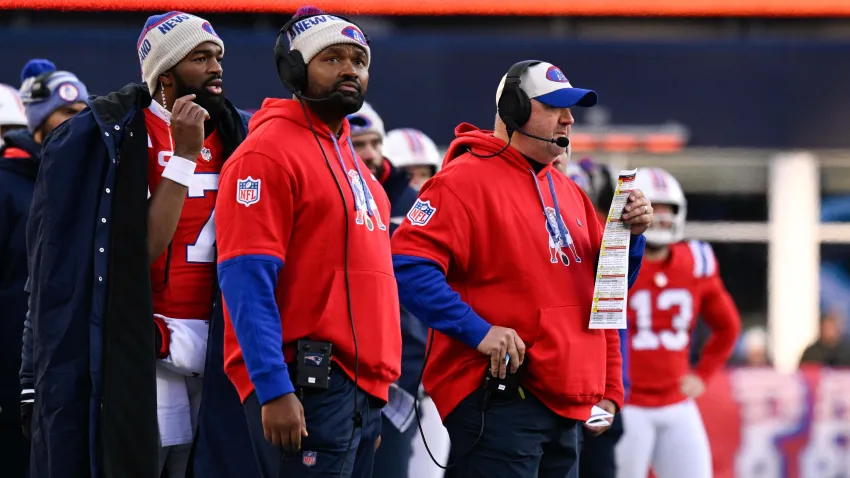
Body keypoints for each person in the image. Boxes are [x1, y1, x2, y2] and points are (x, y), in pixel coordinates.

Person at [391, 60, 652, 478]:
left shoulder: (567, 190)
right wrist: (479, 332)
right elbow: (408, 267)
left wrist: (632, 238)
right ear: (513, 109)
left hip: (569, 404)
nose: (569, 118)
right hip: (499, 398)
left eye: (571, 110)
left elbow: (603, 294)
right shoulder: (462, 181)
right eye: (554, 107)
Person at [24, 12, 255, 478]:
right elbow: (133, 251)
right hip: (147, 349)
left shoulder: (240, 133)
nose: (216, 68)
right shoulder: (115, 136)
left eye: (218, 57)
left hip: (222, 351)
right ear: (165, 75)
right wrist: (184, 157)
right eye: (201, 57)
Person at [214, 6, 401, 477]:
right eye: (332, 58)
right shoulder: (265, 154)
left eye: (359, 60)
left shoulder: (362, 172)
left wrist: (372, 395)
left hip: (358, 393)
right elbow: (244, 278)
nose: (350, 70)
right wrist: (273, 388)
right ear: (295, 69)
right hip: (303, 386)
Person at [614, 167, 741, 478]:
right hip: (628, 403)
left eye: (667, 209)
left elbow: (728, 327)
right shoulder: (614, 259)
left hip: (676, 402)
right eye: (653, 207)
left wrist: (704, 373)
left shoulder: (696, 261)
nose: (661, 216)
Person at [1, 59, 86, 478]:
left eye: (83, 111)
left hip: (64, 374)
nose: (79, 121)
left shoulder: (82, 184)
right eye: (68, 111)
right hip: (11, 379)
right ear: (37, 120)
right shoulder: (6, 186)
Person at [347, 103, 427, 478]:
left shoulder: (413, 206)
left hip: (402, 381)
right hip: (339, 372)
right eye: (358, 143)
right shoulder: (331, 192)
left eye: (375, 142)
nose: (370, 153)